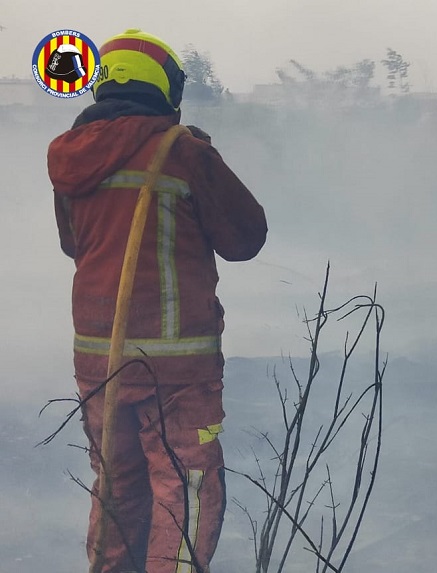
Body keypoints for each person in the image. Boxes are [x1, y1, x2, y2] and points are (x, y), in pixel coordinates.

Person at [48, 29, 267, 573]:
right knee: (184, 487)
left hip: (99, 359)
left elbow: (74, 245)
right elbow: (245, 238)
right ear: (166, 88)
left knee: (116, 485)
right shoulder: (183, 152)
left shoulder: (71, 160)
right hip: (177, 364)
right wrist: (205, 156)